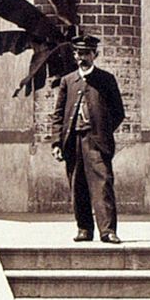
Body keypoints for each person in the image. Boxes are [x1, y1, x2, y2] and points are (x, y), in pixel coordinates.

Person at [52, 34, 125, 243]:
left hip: (96, 142)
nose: (81, 58)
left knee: (103, 184)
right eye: (78, 53)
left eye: (85, 53)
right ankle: (84, 228)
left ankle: (108, 231)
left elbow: (118, 112)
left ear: (95, 55)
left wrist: (102, 131)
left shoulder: (106, 80)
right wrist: (57, 143)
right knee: (78, 185)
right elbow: (58, 114)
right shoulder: (68, 81)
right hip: (72, 141)